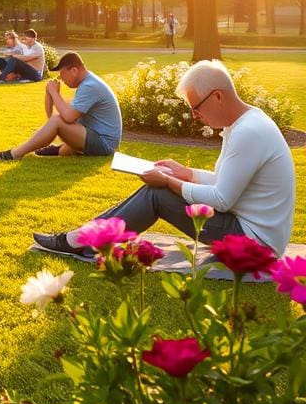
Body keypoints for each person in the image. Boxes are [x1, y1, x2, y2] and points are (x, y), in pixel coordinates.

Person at [33, 59, 295, 257]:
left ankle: (86, 241)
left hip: (257, 245)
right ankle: (86, 236)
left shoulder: (248, 132)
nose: (194, 116)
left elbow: (223, 199)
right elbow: (228, 183)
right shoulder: (244, 124)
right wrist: (186, 173)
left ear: (217, 96)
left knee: (157, 194)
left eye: (196, 108)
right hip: (256, 233)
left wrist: (169, 183)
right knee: (157, 188)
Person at [0, 51, 122, 161]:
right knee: (63, 151)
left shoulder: (90, 86)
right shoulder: (88, 82)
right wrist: (49, 93)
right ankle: (56, 149)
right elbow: (53, 115)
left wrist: (54, 92)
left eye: (62, 74)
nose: (61, 79)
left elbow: (67, 117)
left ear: (74, 70)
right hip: (95, 136)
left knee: (58, 121)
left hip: (104, 144)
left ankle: (13, 154)